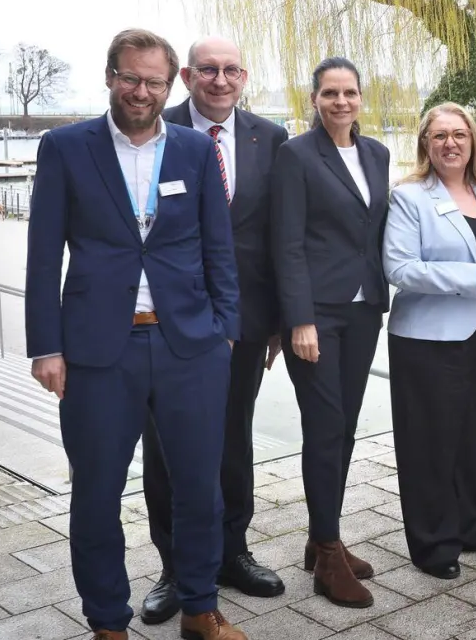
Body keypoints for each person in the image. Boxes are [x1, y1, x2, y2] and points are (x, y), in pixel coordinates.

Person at [26, 28, 246, 640]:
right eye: (130, 78)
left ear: (170, 84)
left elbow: (217, 251)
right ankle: (106, 622)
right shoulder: (66, 148)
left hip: (190, 347)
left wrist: (225, 332)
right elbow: (44, 256)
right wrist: (46, 346)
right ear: (109, 77)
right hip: (99, 352)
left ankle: (201, 608)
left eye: (153, 81)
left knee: (200, 488)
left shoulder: (196, 152)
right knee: (97, 492)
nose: (140, 91)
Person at [140, 37, 288, 624]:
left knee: (234, 433)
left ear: (244, 76)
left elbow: (279, 233)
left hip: (245, 319)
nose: (219, 79)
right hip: (168, 320)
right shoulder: (157, 129)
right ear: (186, 75)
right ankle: (175, 567)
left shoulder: (270, 138)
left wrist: (276, 317)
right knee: (164, 446)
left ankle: (232, 551)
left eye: (230, 70)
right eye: (208, 70)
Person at [384, 102, 476, 577]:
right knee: (431, 442)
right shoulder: (409, 197)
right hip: (430, 339)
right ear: (425, 142)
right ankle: (434, 544)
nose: (450, 143)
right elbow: (400, 268)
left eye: (459, 135)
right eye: (440, 135)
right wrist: (475, 279)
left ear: (474, 142)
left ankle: (475, 524)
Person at [271, 56, 391, 608]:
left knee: (344, 428)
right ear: (314, 99)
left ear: (361, 97)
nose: (341, 102)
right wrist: (298, 319)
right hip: (317, 313)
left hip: (365, 309)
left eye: (350, 93)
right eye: (330, 94)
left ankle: (324, 538)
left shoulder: (377, 153)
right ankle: (328, 556)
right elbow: (287, 243)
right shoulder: (295, 155)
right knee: (324, 427)